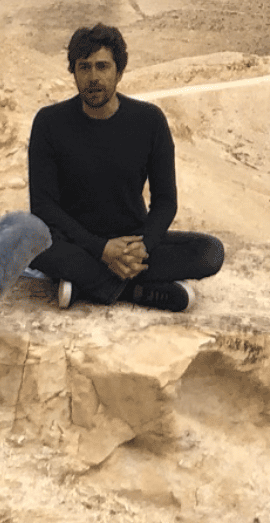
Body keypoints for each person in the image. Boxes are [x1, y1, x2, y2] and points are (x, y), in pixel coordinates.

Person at [27, 23, 224, 312]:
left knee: (210, 252)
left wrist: (143, 246)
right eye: (84, 67)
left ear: (119, 72)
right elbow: (43, 207)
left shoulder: (149, 121)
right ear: (74, 72)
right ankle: (134, 291)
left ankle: (85, 284)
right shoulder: (49, 123)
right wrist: (102, 249)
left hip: (132, 241)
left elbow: (165, 201)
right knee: (25, 240)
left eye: (102, 66)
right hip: (74, 242)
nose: (93, 77)